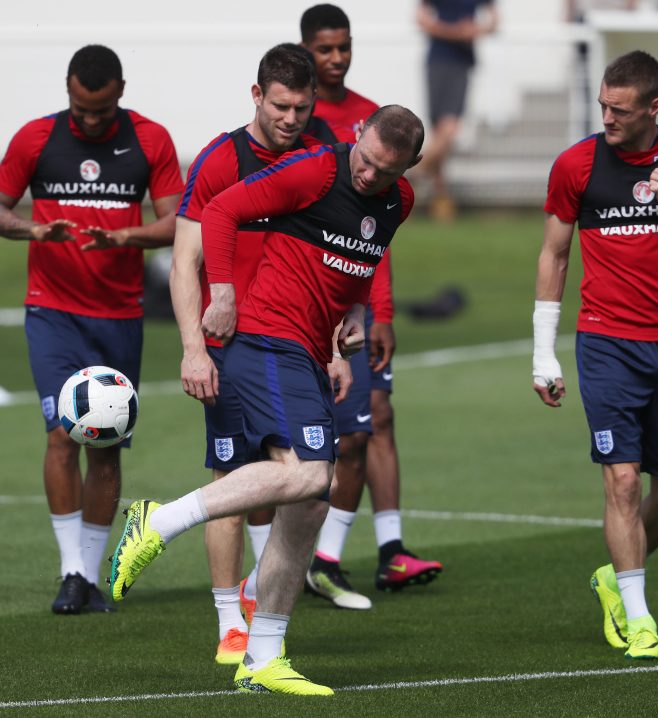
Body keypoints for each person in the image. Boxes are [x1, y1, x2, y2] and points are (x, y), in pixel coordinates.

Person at [109, 105, 424, 696]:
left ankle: (264, 656)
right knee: (310, 475)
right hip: (265, 337)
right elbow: (223, 210)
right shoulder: (313, 170)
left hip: (308, 349)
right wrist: (222, 292)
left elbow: (360, 262)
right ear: (357, 139)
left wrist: (350, 321)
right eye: (364, 161)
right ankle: (158, 520)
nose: (367, 177)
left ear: (409, 167)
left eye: (384, 172)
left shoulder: (397, 201)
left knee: (308, 502)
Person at [531, 50, 658, 660]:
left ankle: (613, 577)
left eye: (619, 110)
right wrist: (544, 354)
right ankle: (639, 615)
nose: (607, 118)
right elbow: (554, 255)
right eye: (602, 105)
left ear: (654, 107)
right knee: (621, 480)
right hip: (606, 342)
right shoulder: (576, 164)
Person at [0, 44, 183, 615]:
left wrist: (125, 238)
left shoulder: (150, 139)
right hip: (53, 311)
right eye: (79, 108)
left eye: (99, 110)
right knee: (60, 435)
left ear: (120, 90)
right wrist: (33, 232)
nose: (88, 120)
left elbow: (177, 220)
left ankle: (91, 578)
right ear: (68, 89)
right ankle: (70, 573)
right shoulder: (37, 138)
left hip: (119, 314)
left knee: (106, 447)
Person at [169, 43, 331, 664]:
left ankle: (262, 606)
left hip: (298, 347)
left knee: (300, 482)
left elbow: (337, 257)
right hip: (231, 347)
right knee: (233, 479)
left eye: (302, 107)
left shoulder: (322, 161)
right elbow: (185, 260)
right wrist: (193, 349)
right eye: (281, 106)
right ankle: (228, 626)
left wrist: (337, 339)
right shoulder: (221, 160)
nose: (291, 119)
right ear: (257, 96)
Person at [290, 2, 442, 611]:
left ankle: (375, 549)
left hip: (356, 302)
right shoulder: (292, 120)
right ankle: (289, 560)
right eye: (325, 48)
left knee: (374, 419)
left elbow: (374, 236)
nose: (336, 57)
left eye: (343, 46)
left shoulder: (373, 120)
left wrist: (381, 310)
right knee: (295, 443)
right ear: (304, 49)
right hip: (297, 304)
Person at [414, 0, 498, 222]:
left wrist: (474, 30)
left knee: (449, 130)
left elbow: (493, 23)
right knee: (439, 132)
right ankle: (441, 197)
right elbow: (422, 20)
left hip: (461, 64)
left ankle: (410, 176)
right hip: (437, 61)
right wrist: (455, 31)